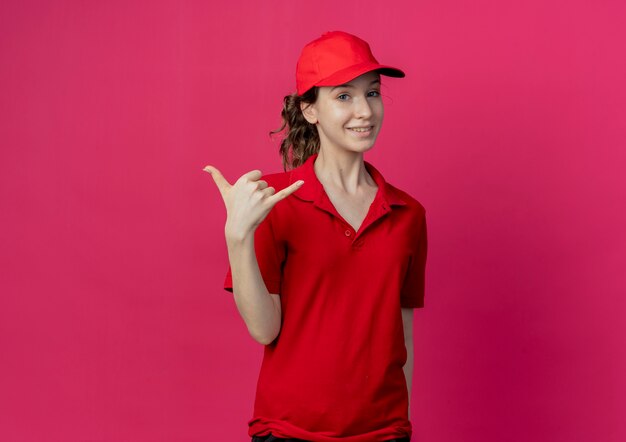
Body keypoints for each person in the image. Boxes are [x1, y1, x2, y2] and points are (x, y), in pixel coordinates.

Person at [204, 31, 427, 442]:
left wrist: (401, 424)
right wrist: (237, 236)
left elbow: (403, 332)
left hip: (384, 432)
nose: (365, 110)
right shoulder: (272, 201)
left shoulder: (408, 214)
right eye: (344, 96)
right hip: (289, 430)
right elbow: (264, 330)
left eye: (372, 93)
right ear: (310, 110)